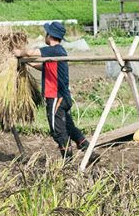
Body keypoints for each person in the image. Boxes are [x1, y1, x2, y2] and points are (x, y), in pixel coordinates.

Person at [14, 22, 87, 158]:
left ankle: (67, 160)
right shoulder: (59, 52)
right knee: (69, 127)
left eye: (46, 34)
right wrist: (28, 63)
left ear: (50, 35)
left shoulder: (53, 50)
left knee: (57, 130)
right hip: (64, 97)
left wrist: (18, 52)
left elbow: (30, 52)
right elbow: (45, 68)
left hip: (55, 97)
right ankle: (88, 149)